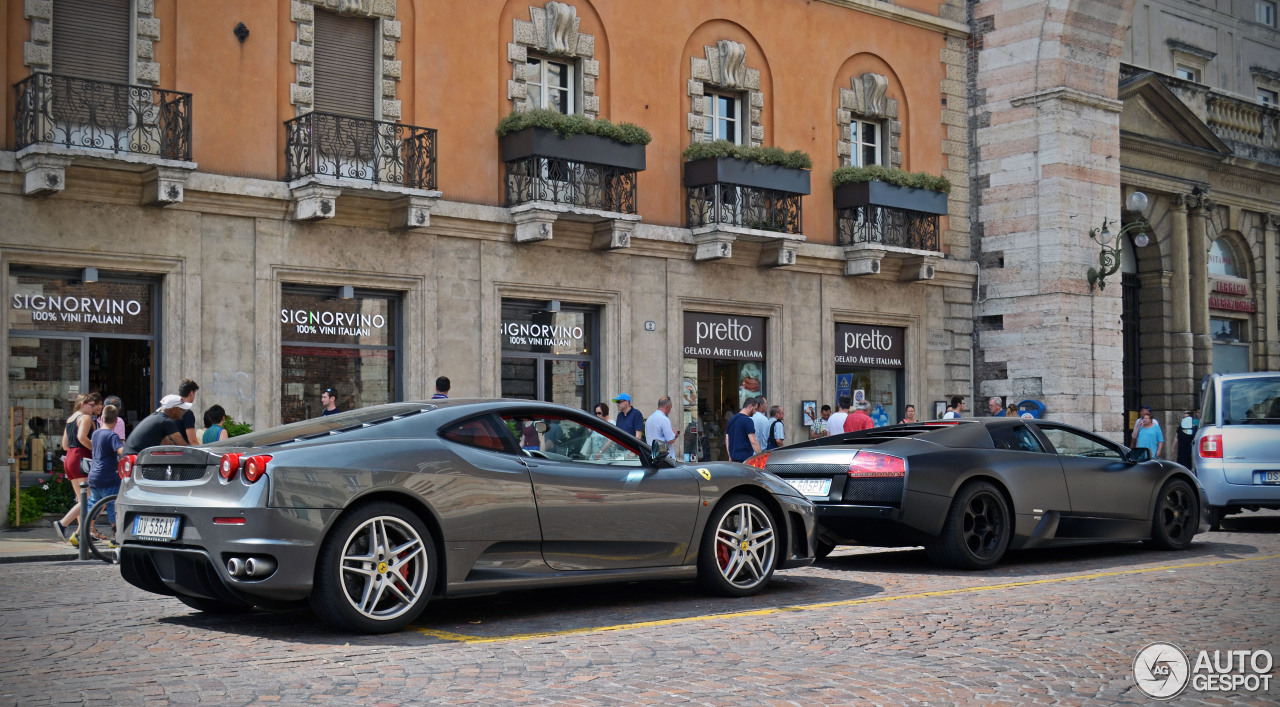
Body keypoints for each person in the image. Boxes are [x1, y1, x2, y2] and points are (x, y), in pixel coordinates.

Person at [51, 394, 96, 542]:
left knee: (81, 498)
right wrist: (96, 450)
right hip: (81, 457)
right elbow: (82, 437)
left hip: (70, 457)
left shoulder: (70, 419)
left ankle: (80, 534)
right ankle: (63, 523)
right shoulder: (85, 418)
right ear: (83, 404)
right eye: (91, 405)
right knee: (88, 499)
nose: (93, 408)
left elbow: (64, 445)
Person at [81, 404, 125, 548]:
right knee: (112, 505)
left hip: (94, 475)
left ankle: (83, 531)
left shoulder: (96, 433)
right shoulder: (112, 435)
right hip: (108, 476)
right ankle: (115, 536)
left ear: (102, 418)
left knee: (93, 504)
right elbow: (121, 451)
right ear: (116, 420)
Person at [123, 395, 190, 455]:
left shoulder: (157, 418)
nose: (184, 411)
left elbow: (167, 444)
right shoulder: (166, 421)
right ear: (173, 410)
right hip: (135, 458)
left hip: (130, 456)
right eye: (182, 409)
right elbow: (184, 447)